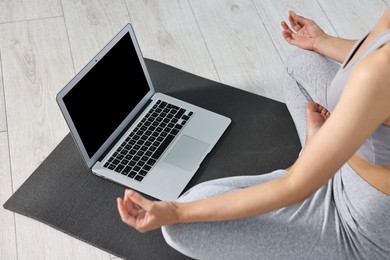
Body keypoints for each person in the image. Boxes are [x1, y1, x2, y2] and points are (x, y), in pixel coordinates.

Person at [117, 10, 390, 259]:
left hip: (356, 229)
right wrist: (321, 41)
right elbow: (369, 55)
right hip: (355, 154)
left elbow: (294, 186)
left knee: (181, 227)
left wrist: (175, 212)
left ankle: (313, 158)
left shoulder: (379, 75)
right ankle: (321, 157)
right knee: (301, 62)